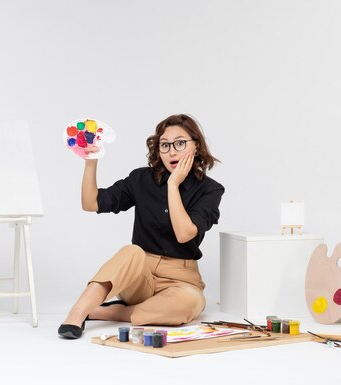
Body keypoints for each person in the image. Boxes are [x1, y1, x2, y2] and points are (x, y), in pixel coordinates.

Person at [58, 114, 224, 339]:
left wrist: (173, 184)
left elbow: (184, 234)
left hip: (180, 280)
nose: (172, 151)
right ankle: (77, 313)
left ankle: (107, 312)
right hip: (139, 274)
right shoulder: (141, 179)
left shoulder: (210, 190)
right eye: (165, 145)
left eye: (180, 143)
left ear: (196, 146)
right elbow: (91, 203)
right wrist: (91, 160)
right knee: (131, 251)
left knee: (191, 302)